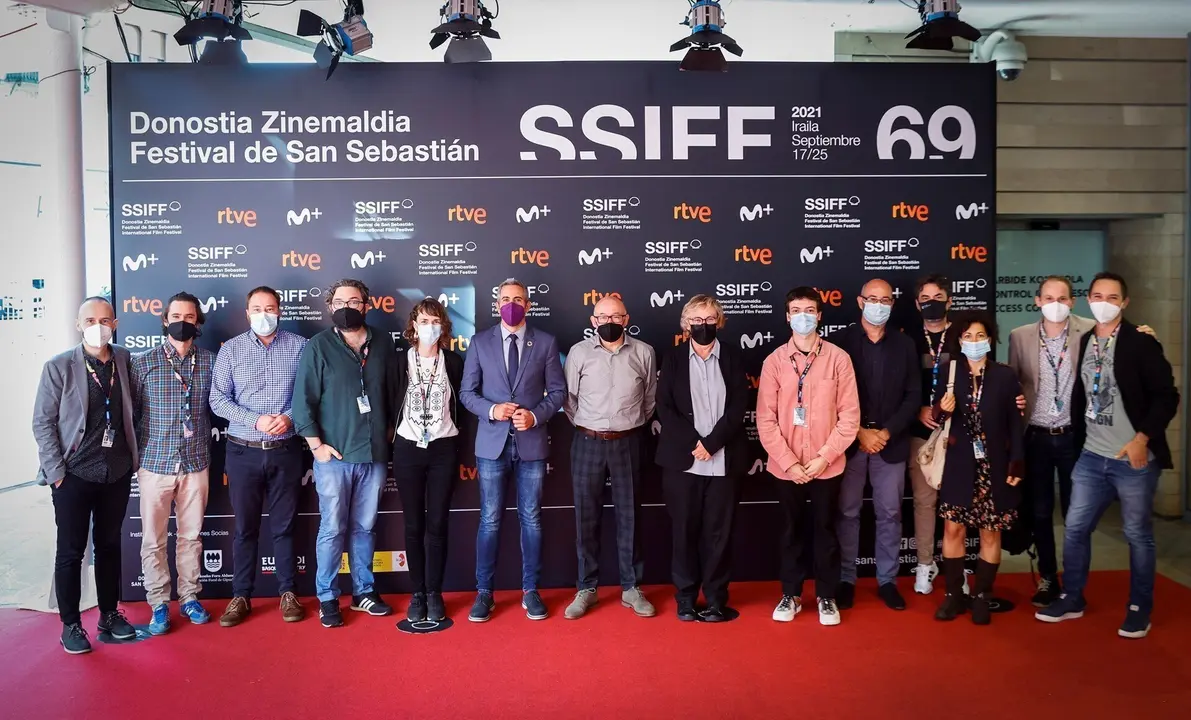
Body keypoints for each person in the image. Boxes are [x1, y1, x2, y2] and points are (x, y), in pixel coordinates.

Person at [1036, 272, 1180, 639]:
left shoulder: (1140, 343)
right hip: (1091, 455)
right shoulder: (1085, 340)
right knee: (1076, 529)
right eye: (1097, 295)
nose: (1104, 302)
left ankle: (1138, 608)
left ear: (1124, 303)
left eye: (1113, 297)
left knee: (1137, 534)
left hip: (1132, 460)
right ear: (1086, 299)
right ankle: (1072, 597)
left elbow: (1167, 396)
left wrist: (1142, 438)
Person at [1009, 276, 1157, 608]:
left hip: (1076, 435)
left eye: (1062, 297)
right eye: (1048, 297)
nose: (1055, 303)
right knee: (1041, 510)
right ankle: (1048, 577)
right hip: (1035, 435)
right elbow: (1015, 382)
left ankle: (1076, 585)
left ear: (1074, 301)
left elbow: (1123, 338)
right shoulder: (1019, 336)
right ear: (1037, 301)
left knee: (1078, 515)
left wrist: (1144, 335)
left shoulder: (1091, 331)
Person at [32, 297, 139, 654]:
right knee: (71, 552)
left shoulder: (125, 360)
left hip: (116, 472)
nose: (98, 325)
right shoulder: (59, 366)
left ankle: (109, 615)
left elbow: (133, 410)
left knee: (109, 547)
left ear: (116, 323)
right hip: (74, 474)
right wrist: (57, 473)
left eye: (105, 319)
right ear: (79, 325)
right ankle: (71, 625)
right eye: (90, 320)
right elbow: (43, 423)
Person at [293, 279, 398, 628]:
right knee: (332, 529)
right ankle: (327, 597)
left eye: (354, 301)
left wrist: (387, 438)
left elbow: (395, 395)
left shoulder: (383, 342)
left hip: (375, 455)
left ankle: (364, 592)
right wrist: (316, 446)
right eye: (340, 302)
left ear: (367, 305)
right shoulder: (318, 346)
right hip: (334, 458)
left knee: (365, 527)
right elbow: (303, 401)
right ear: (329, 307)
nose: (347, 307)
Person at [460, 279, 566, 622]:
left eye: (518, 299)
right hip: (491, 446)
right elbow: (466, 393)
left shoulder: (546, 343)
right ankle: (484, 593)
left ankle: (531, 591)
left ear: (528, 304)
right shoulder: (479, 342)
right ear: (497, 304)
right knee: (489, 519)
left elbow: (558, 393)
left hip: (532, 445)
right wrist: (492, 410)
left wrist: (535, 416)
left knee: (531, 518)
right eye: (505, 299)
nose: (511, 304)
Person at [757, 286, 860, 626]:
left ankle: (826, 597)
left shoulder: (838, 359)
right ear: (787, 317)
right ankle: (791, 594)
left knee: (826, 531)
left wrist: (822, 458)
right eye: (796, 310)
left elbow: (849, 417)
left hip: (826, 467)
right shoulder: (774, 361)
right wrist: (790, 463)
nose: (803, 316)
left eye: (809, 310)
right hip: (785, 469)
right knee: (790, 532)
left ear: (819, 314)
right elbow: (765, 419)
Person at [210, 286, 307, 627]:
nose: (264, 314)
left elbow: (312, 393)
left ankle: (288, 593)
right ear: (246, 313)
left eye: (270, 308)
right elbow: (218, 400)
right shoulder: (231, 351)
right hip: (243, 451)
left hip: (286, 451)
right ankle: (241, 596)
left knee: (284, 526)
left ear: (280, 311)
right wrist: (254, 419)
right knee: (244, 528)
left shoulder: (300, 347)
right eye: (256, 308)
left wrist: (290, 417)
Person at [563, 294, 658, 619]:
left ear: (626, 319)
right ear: (593, 322)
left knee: (630, 517)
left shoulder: (644, 352)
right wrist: (590, 426)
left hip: (628, 442)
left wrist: (624, 426)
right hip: (587, 440)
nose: (609, 322)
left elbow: (649, 401)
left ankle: (632, 588)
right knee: (585, 517)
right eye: (602, 317)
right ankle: (586, 587)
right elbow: (569, 400)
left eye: (616, 316)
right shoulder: (578, 353)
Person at [655, 295, 749, 622]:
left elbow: (739, 406)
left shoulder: (734, 356)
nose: (703, 326)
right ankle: (684, 599)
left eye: (710, 319)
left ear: (719, 322)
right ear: (686, 324)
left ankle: (716, 600)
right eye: (697, 320)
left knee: (719, 535)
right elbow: (664, 407)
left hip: (724, 460)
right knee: (683, 531)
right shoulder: (674, 358)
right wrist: (696, 443)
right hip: (684, 462)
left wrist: (712, 443)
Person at [931, 311, 1025, 625]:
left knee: (990, 533)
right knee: (953, 529)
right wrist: (941, 411)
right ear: (959, 340)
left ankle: (983, 593)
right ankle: (953, 594)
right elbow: (936, 417)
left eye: (980, 336)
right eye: (968, 336)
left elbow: (1015, 423)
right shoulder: (948, 371)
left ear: (990, 339)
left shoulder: (1004, 375)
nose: (974, 341)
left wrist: (1017, 462)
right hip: (959, 464)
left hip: (994, 465)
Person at [131, 291, 216, 635]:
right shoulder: (143, 362)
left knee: (191, 537)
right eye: (176, 316)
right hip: (154, 463)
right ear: (165, 320)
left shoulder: (211, 361)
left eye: (190, 317)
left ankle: (190, 597)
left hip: (196, 462)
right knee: (153, 539)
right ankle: (157, 604)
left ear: (198, 323)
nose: (183, 322)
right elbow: (131, 414)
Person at [833, 279, 920, 611]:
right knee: (847, 513)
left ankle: (887, 581)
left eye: (886, 300)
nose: (879, 305)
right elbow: (832, 398)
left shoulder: (904, 345)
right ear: (860, 302)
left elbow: (914, 395)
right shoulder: (839, 344)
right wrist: (859, 432)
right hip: (850, 443)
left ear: (893, 304)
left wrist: (886, 432)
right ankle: (846, 579)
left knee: (890, 514)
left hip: (891, 443)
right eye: (873, 299)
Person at [392, 298, 464, 624]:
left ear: (443, 326)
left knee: (437, 524)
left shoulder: (454, 361)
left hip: (443, 449)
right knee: (412, 525)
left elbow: (463, 404)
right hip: (408, 448)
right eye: (423, 320)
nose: (429, 327)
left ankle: (435, 591)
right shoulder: (399, 362)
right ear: (413, 326)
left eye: (435, 321)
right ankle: (417, 592)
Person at [906, 274, 965, 595]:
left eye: (939, 296)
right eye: (926, 298)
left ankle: (958, 567)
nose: (932, 303)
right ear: (917, 304)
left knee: (957, 503)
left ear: (950, 301)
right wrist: (918, 409)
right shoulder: (907, 339)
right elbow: (899, 386)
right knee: (925, 502)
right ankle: (925, 564)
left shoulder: (964, 336)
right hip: (921, 432)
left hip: (958, 433)